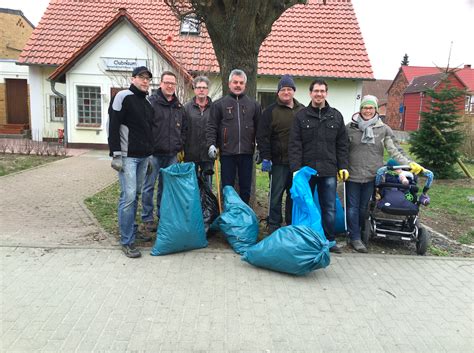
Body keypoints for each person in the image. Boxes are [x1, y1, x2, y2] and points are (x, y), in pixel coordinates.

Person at [345, 95, 425, 253]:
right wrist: (340, 168)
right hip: (352, 175)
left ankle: (360, 231)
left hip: (371, 175)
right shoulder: (350, 128)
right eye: (364, 107)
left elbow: (394, 150)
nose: (367, 110)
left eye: (371, 107)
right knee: (352, 208)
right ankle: (354, 237)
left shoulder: (383, 129)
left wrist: (409, 163)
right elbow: (342, 150)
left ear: (375, 109)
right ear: (360, 109)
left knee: (363, 208)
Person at [288, 79, 349, 253]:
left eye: (322, 91)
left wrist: (343, 166)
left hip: (329, 171)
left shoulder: (336, 116)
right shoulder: (301, 116)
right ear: (310, 93)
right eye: (316, 91)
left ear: (326, 94)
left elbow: (342, 144)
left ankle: (330, 240)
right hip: (307, 171)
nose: (319, 94)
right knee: (304, 205)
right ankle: (304, 238)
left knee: (329, 207)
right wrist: (296, 169)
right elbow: (294, 144)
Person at [107, 66, 154, 258]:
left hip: (143, 157)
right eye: (141, 78)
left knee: (135, 195)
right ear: (133, 78)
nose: (145, 81)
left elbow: (148, 132)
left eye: (148, 79)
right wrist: (116, 153)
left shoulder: (147, 103)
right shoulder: (123, 97)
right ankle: (126, 241)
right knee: (128, 197)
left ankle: (132, 232)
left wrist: (149, 156)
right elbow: (113, 125)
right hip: (127, 157)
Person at [257, 74, 304, 233]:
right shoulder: (270, 111)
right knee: (275, 196)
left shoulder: (302, 110)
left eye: (289, 89)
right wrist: (266, 157)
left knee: (294, 196)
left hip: (297, 163)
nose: (286, 92)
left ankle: (291, 225)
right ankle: (274, 225)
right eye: (283, 89)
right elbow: (262, 137)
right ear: (278, 92)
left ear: (293, 91)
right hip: (277, 163)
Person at [206, 69, 261, 204]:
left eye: (241, 83)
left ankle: (244, 216)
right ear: (229, 84)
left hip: (247, 153)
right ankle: (228, 215)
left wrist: (260, 148)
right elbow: (211, 126)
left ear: (245, 85)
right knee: (228, 187)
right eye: (235, 82)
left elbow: (260, 129)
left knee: (245, 188)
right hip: (227, 153)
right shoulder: (219, 104)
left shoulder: (254, 105)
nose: (238, 85)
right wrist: (211, 144)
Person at [141, 71, 185, 232]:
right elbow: (144, 128)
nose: (170, 86)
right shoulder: (151, 103)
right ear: (160, 84)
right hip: (153, 154)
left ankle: (162, 216)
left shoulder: (179, 107)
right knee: (148, 186)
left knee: (166, 188)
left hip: (172, 155)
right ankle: (147, 218)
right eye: (167, 82)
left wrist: (180, 145)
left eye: (172, 83)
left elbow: (184, 129)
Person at [183, 76, 214, 186]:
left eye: (204, 88)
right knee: (191, 186)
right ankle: (193, 204)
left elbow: (218, 129)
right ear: (194, 89)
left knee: (208, 186)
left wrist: (216, 146)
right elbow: (183, 129)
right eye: (199, 87)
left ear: (208, 90)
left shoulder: (214, 108)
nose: (201, 90)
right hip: (190, 154)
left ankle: (206, 204)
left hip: (208, 155)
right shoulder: (186, 108)